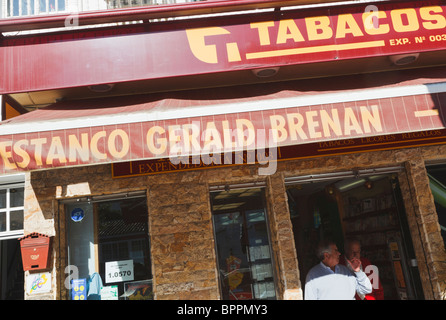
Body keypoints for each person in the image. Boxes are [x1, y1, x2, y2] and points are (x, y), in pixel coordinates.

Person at [304, 239, 372, 300]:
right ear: (326, 255)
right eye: (336, 251)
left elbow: (366, 289)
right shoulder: (313, 275)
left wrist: (358, 271)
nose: (339, 253)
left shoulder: (345, 270)